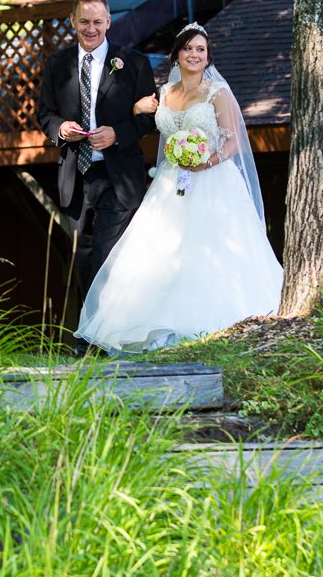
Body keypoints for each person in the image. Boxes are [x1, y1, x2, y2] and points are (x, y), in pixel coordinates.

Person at [75, 22, 283, 354]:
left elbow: (232, 142)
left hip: (213, 180)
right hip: (171, 183)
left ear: (208, 56)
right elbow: (142, 118)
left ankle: (217, 325)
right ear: (177, 55)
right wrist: (135, 108)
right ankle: (157, 327)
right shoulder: (164, 93)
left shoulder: (218, 93)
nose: (194, 55)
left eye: (201, 49)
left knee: (210, 247)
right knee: (161, 250)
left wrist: (205, 162)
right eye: (188, 48)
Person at [36, 0, 158, 319]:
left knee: (106, 253)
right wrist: (61, 129)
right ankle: (91, 329)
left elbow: (149, 117)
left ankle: (98, 330)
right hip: (75, 175)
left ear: (108, 22)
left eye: (97, 22)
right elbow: (44, 114)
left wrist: (117, 133)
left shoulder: (133, 62)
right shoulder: (57, 64)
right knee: (83, 255)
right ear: (72, 22)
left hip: (118, 176)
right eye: (84, 22)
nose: (91, 29)